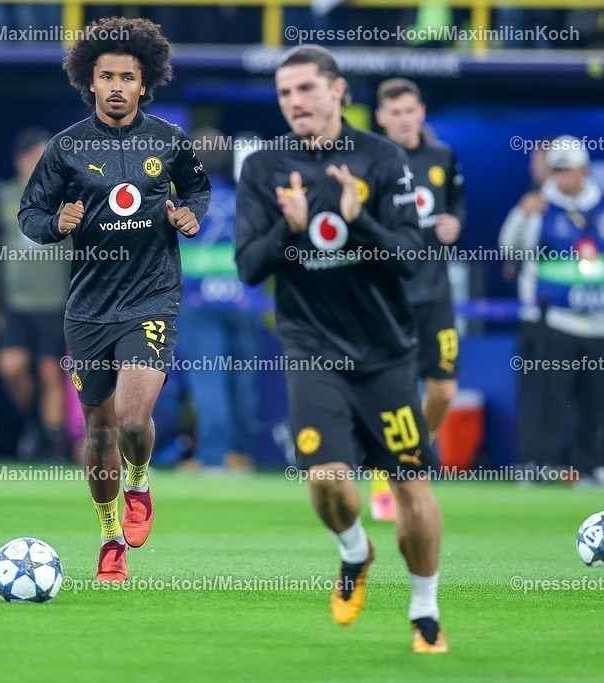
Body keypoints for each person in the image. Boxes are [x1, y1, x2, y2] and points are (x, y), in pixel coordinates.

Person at [236, 45, 447, 653]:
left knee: (410, 486)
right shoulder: (263, 168)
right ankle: (355, 552)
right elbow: (250, 267)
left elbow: (412, 257)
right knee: (327, 479)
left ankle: (424, 613)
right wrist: (290, 228)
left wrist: (360, 220)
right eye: (284, 93)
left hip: (384, 351)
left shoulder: (383, 159)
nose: (295, 102)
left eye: (305, 89)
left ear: (337, 92)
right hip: (309, 345)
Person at [19, 17, 211, 581]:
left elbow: (197, 187)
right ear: (91, 82)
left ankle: (139, 482)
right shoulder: (66, 148)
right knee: (99, 431)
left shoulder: (171, 141)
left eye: (129, 76)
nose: (118, 87)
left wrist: (190, 213)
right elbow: (29, 215)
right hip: (88, 307)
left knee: (132, 421)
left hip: (152, 296)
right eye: (107, 77)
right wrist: (57, 222)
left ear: (145, 82)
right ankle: (108, 538)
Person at [371, 78, 465, 521]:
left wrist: (453, 225)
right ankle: (392, 472)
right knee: (399, 391)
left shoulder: (443, 157)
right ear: (381, 118)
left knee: (444, 390)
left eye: (411, 110)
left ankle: (408, 456)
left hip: (436, 293)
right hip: (392, 297)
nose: (405, 119)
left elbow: (456, 208)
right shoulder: (371, 162)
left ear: (421, 112)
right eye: (396, 112)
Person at [499, 136, 604, 483]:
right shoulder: (537, 204)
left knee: (595, 403)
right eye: (556, 170)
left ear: (584, 170)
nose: (562, 178)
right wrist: (520, 213)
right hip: (551, 320)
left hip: (598, 322)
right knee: (545, 401)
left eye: (568, 170)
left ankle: (591, 469)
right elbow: (507, 248)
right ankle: (536, 466)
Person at [0, 128, 71, 462]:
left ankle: (51, 439)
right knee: (11, 367)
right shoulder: (4, 196)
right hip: (15, 302)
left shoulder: (67, 198)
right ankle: (34, 421)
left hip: (55, 301)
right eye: (35, 158)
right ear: (20, 162)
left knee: (49, 371)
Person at [177, 128, 266, 472]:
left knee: (208, 380)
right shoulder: (249, 202)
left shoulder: (180, 206)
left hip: (198, 304)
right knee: (243, 381)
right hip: (246, 302)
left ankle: (214, 455)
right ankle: (241, 453)